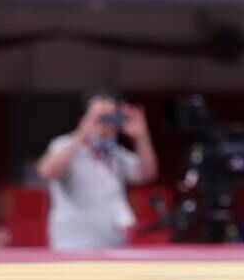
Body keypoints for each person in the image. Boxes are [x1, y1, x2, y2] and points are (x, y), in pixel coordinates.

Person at [36, 88, 158, 250]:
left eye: (111, 116)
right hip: (72, 247)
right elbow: (47, 171)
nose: (105, 124)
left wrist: (142, 136)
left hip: (114, 246)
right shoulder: (65, 145)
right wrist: (81, 134)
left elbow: (147, 173)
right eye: (100, 116)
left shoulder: (115, 155)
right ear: (85, 117)